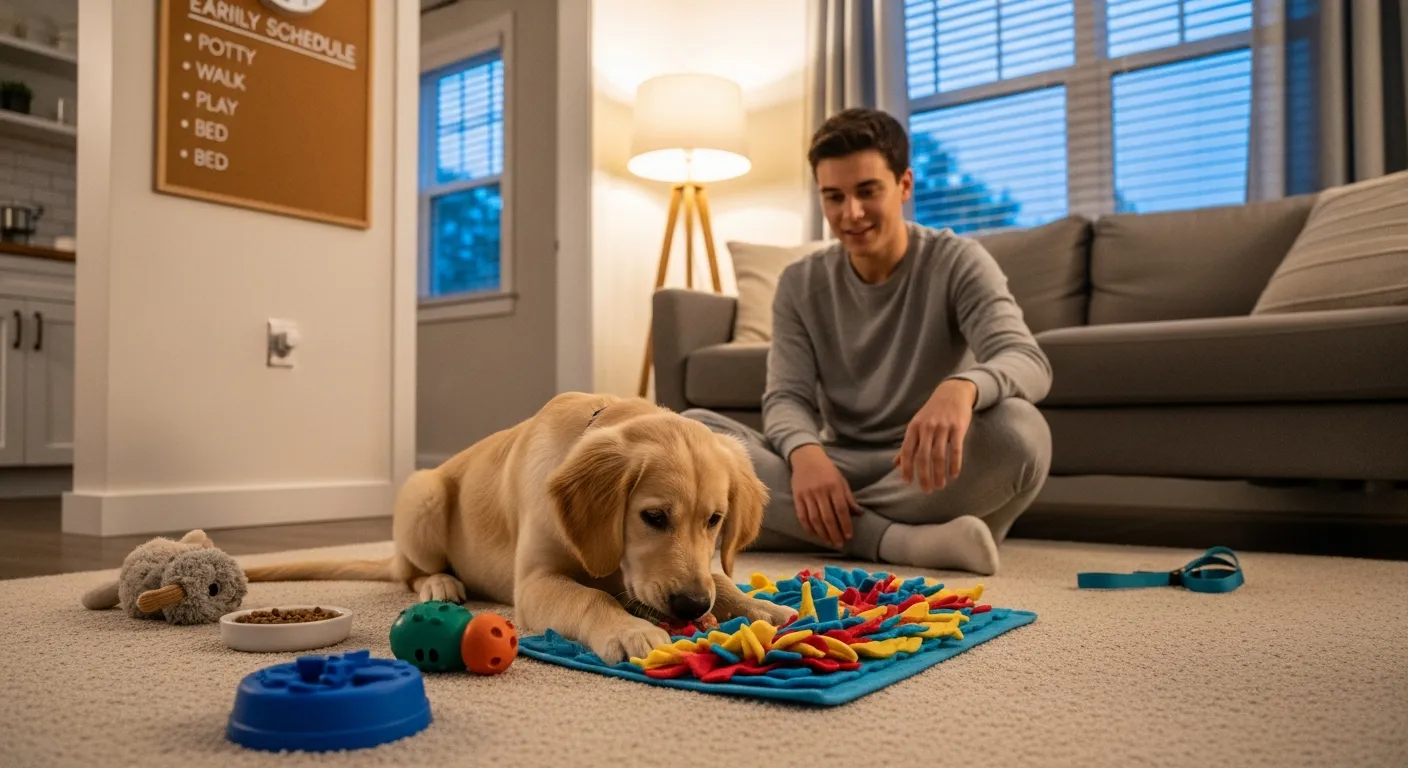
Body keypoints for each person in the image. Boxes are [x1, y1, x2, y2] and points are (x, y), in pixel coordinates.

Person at [684, 108, 1053, 575]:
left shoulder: (958, 260)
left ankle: (805, 526)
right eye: (833, 197)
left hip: (927, 473)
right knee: (695, 433)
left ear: (904, 185)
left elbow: (1027, 359)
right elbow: (786, 397)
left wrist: (963, 388)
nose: (850, 214)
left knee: (1023, 432)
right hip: (836, 466)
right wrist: (805, 455)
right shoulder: (800, 282)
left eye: (867, 191)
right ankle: (904, 542)